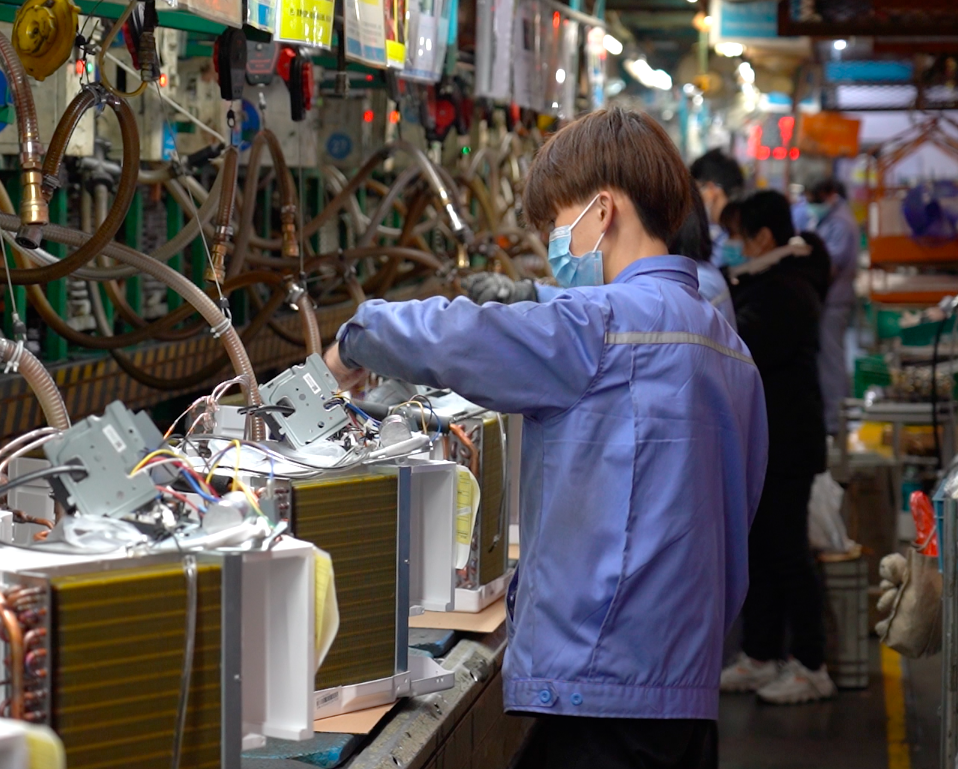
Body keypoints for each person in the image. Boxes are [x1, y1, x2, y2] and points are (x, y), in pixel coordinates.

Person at [323, 107, 769, 768]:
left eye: (561, 222)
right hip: (683, 688)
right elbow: (738, 515)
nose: (558, 242)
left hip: (602, 687)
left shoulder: (600, 325)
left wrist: (356, 338)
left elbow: (462, 335)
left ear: (604, 211)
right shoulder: (730, 350)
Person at [719, 190, 836, 705]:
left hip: (787, 446)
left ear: (762, 238)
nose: (729, 246)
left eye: (735, 236)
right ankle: (761, 653)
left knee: (787, 552)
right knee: (761, 550)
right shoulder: (769, 281)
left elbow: (739, 352)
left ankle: (812, 663)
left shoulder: (784, 290)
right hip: (769, 444)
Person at [461, 189, 737, 329]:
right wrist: (532, 293)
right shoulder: (695, 278)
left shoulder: (695, 290)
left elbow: (611, 317)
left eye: (558, 221)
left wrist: (532, 295)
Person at [807, 177, 860, 434]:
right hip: (828, 300)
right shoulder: (831, 218)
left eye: (814, 200)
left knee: (832, 362)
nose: (811, 205)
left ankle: (837, 423)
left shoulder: (840, 222)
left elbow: (830, 265)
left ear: (829, 194)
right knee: (828, 360)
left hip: (834, 301)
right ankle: (833, 419)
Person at [689, 148, 746, 267]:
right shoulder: (722, 231)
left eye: (696, 191)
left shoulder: (731, 235)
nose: (693, 200)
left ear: (711, 189)